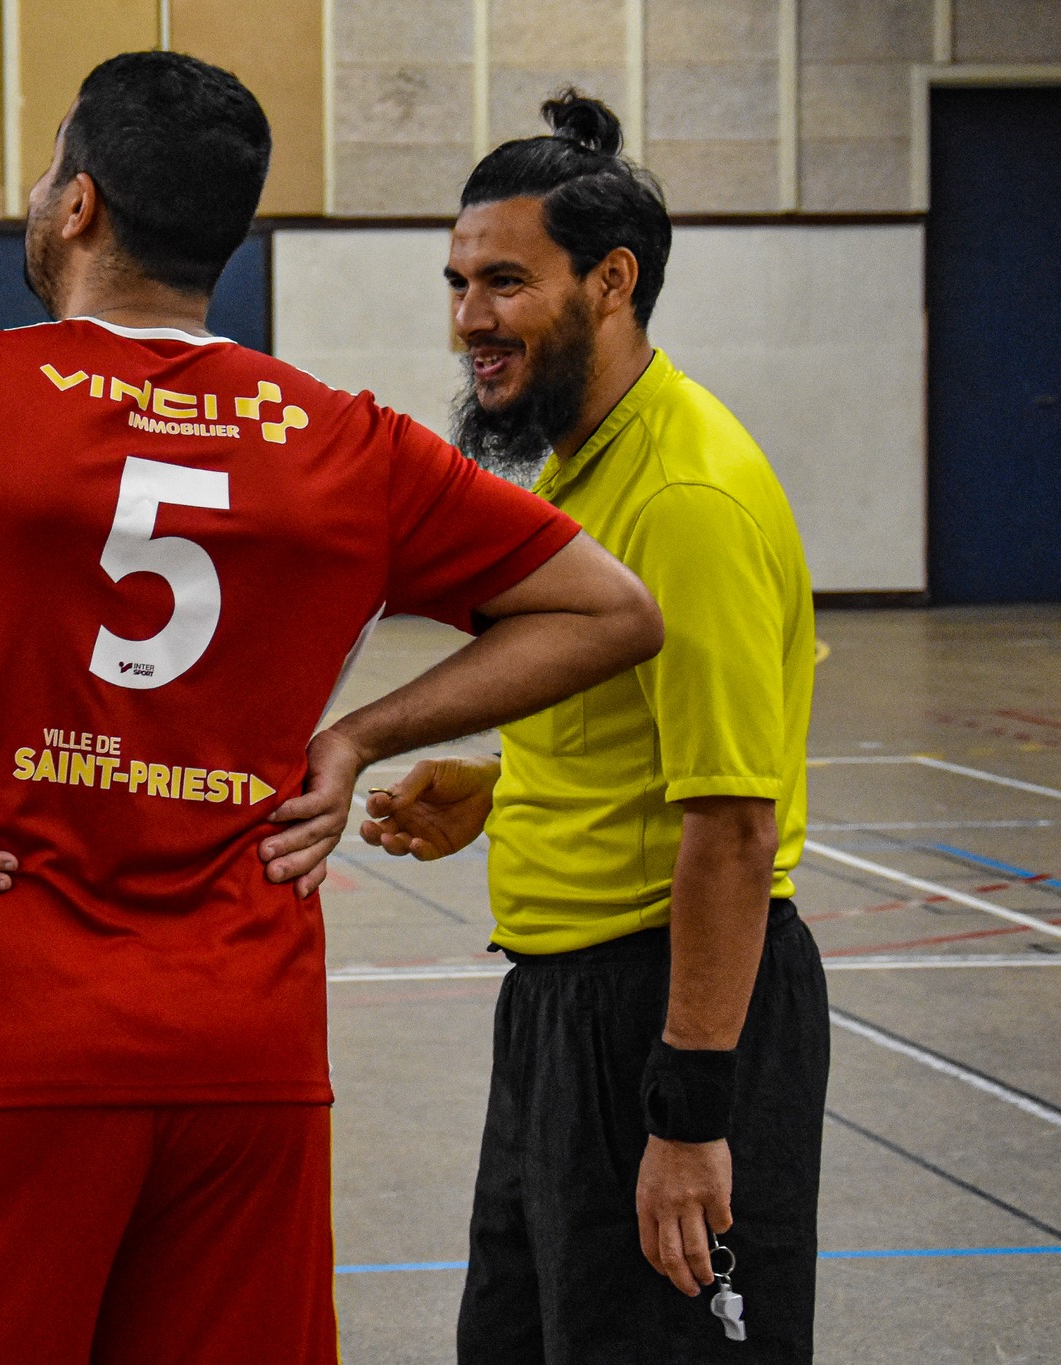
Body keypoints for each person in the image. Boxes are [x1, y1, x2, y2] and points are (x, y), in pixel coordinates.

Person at [0, 51, 664, 1365]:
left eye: (52, 162)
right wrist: (361, 734)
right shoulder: (353, 445)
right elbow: (612, 608)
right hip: (250, 1052)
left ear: (79, 204)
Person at [365, 90, 827, 1363]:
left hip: (667, 1011)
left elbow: (732, 825)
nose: (469, 319)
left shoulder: (682, 493)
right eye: (458, 282)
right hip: (560, 1013)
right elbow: (648, 736)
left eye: (504, 282)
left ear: (610, 281)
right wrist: (503, 784)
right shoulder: (583, 464)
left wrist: (686, 1116)